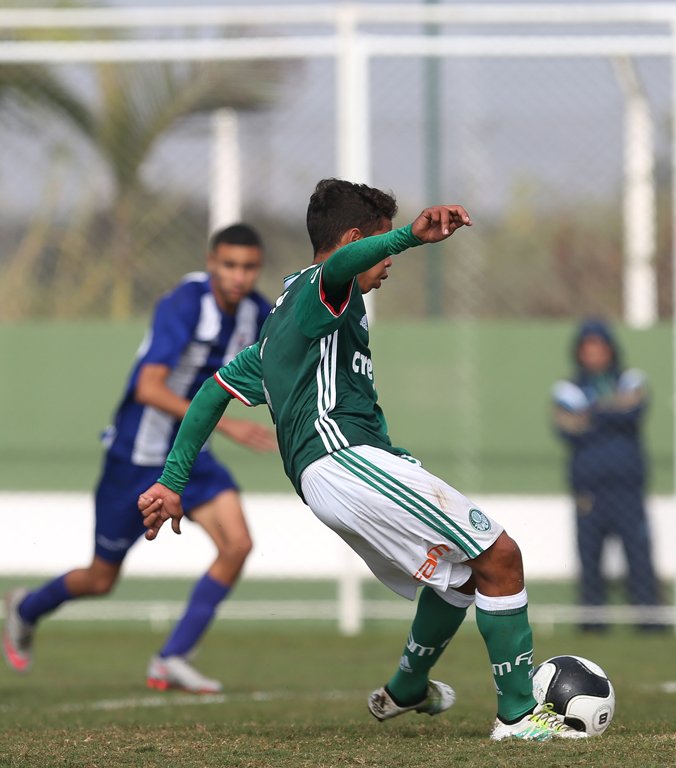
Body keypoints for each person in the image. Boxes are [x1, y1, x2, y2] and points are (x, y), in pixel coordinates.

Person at [138, 178, 586, 740]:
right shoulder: (320, 288)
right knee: (501, 555)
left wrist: (172, 481)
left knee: (464, 576)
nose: (386, 263)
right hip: (341, 460)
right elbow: (341, 264)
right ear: (354, 239)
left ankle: (404, 689)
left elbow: (213, 391)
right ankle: (519, 717)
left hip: (336, 471)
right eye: (375, 247)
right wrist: (408, 236)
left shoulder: (285, 322)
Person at [3, 223, 277, 692]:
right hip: (135, 459)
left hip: (191, 458)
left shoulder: (258, 311)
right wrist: (228, 423)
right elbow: (149, 387)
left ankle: (172, 657)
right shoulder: (184, 305)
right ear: (212, 263)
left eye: (248, 267)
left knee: (237, 544)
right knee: (100, 578)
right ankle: (25, 608)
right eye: (229, 265)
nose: (239, 276)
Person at [551, 318, 662, 631]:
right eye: (588, 348)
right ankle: (592, 625)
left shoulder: (630, 378)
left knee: (639, 559)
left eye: (599, 347)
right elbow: (568, 426)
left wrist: (593, 412)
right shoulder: (568, 387)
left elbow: (634, 409)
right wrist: (611, 411)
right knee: (590, 561)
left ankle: (650, 624)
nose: (594, 354)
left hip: (628, 488)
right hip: (589, 491)